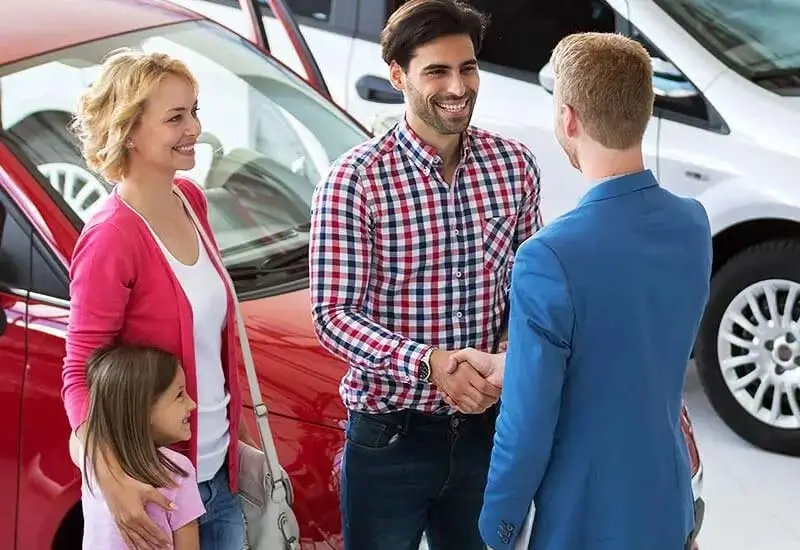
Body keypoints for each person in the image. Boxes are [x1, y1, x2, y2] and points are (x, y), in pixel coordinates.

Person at [448, 32, 712, 550]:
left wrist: (497, 528)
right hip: (666, 500)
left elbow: (525, 429)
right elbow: (633, 347)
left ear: (567, 118)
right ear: (644, 109)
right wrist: (519, 362)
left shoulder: (549, 256)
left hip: (583, 520)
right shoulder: (692, 224)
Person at [308, 0, 542, 548]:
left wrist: (502, 362)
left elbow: (528, 293)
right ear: (398, 75)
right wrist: (431, 365)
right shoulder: (354, 182)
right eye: (437, 71)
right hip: (391, 439)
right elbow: (333, 317)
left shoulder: (514, 166)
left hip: (491, 432)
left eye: (467, 68)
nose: (457, 86)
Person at [62, 48, 255, 550]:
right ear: (129, 130)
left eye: (194, 111)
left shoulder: (189, 198)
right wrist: (110, 478)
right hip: (156, 491)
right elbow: (80, 370)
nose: (194, 128)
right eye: (175, 118)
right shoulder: (111, 237)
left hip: (218, 480)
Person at [80, 345, 204, 550]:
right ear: (143, 408)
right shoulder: (177, 470)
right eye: (180, 395)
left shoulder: (90, 460)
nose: (192, 404)